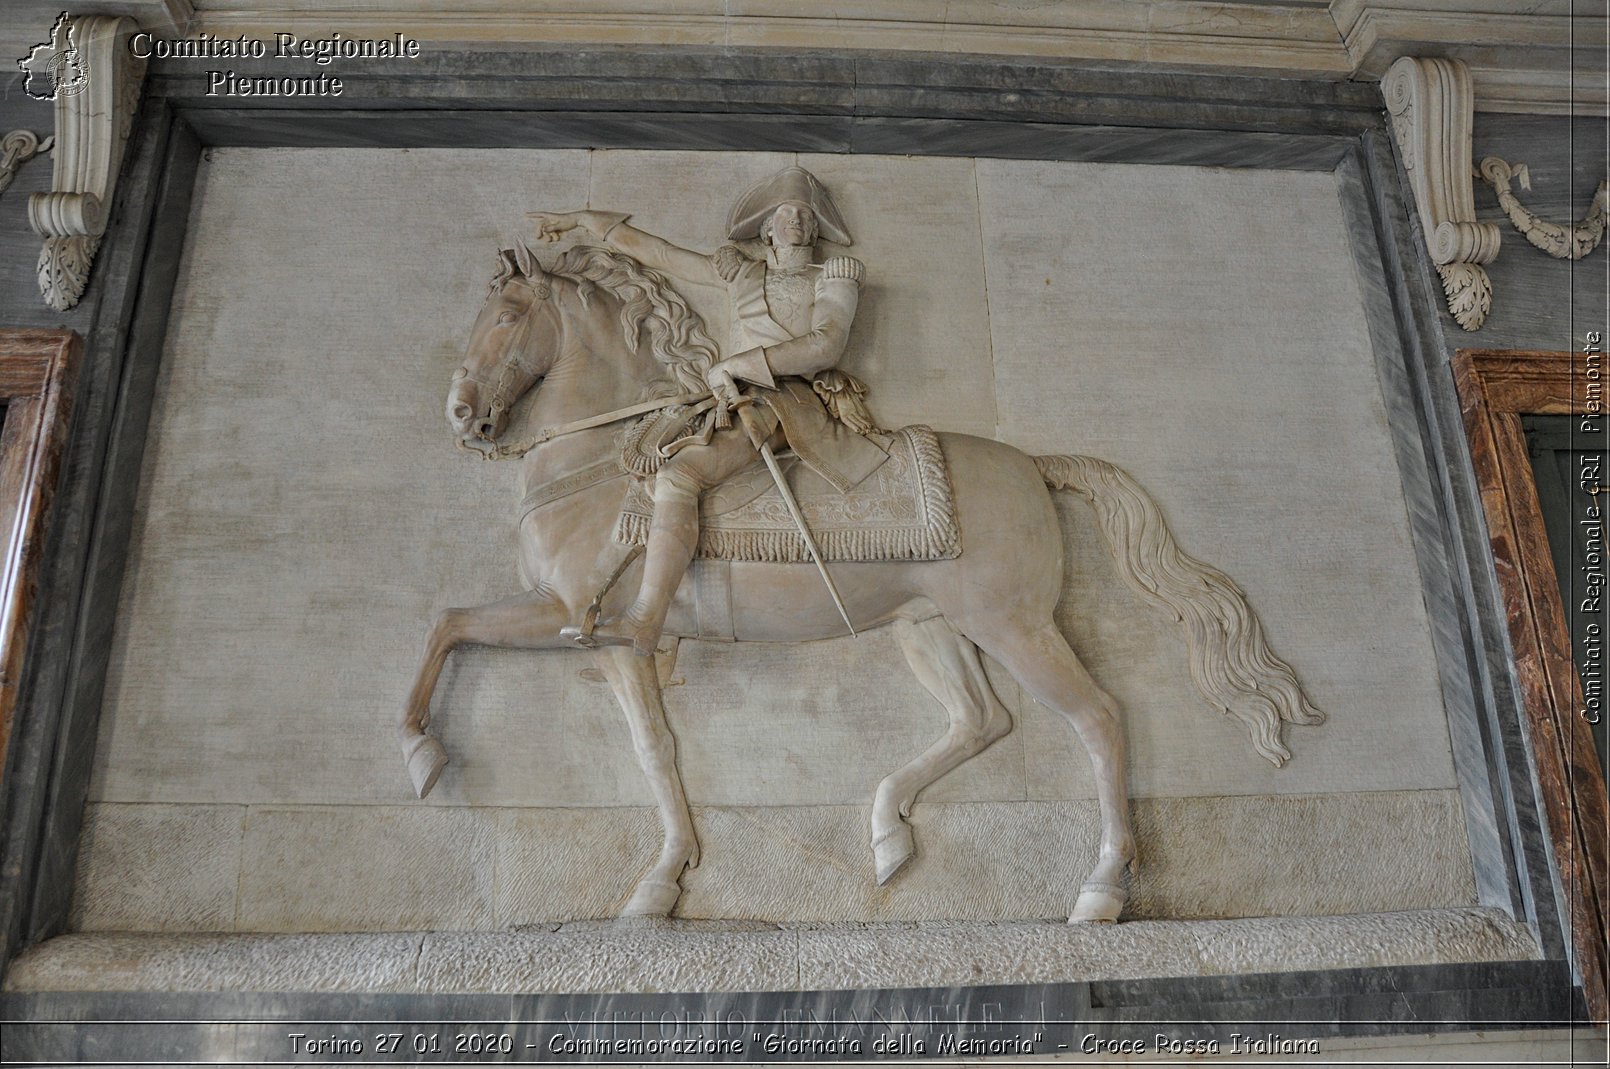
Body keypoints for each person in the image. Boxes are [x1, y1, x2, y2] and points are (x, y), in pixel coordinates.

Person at [529, 166, 888, 654]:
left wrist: (739, 365)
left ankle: (645, 620)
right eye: (787, 215)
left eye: (806, 215)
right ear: (767, 228)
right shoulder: (742, 272)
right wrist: (585, 220)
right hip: (735, 397)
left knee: (680, 473)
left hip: (789, 400)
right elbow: (662, 255)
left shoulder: (834, 276)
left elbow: (826, 345)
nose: (798, 223)